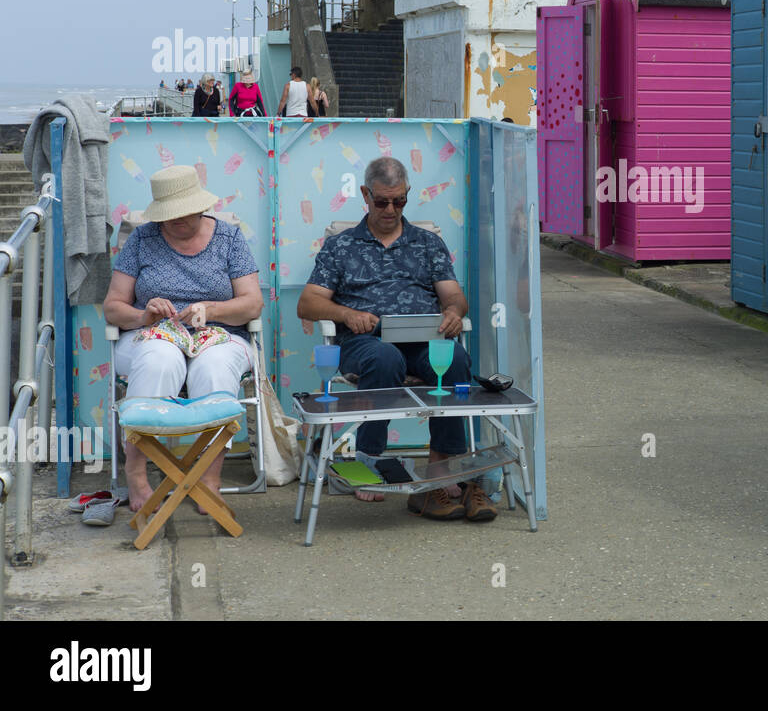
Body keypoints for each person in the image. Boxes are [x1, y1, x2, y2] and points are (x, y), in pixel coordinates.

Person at [297, 156, 495, 522]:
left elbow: (454, 296)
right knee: (385, 359)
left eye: (400, 201)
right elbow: (307, 304)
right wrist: (347, 315)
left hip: (421, 337)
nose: (391, 209)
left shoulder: (427, 243)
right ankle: (369, 464)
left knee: (455, 359)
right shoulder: (341, 246)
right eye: (382, 201)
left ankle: (441, 467)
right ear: (365, 195)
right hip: (364, 342)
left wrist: (453, 312)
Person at [103, 165, 263, 512]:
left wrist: (210, 309)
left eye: (182, 213)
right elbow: (113, 308)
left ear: (200, 207)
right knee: (160, 358)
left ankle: (208, 477)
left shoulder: (229, 239)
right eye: (167, 214)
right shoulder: (142, 240)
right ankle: (137, 472)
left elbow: (252, 303)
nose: (174, 220)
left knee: (215, 366)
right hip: (153, 335)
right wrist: (143, 316)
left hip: (219, 334)